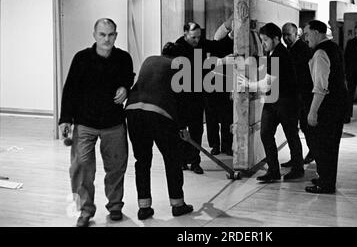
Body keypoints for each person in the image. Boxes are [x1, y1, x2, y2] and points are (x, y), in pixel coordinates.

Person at [59, 18, 134, 227]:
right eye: (102, 34)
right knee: (81, 168)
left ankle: (115, 205)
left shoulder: (123, 58)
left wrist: (125, 88)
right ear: (94, 35)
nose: (106, 39)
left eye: (110, 35)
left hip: (113, 123)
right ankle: (84, 209)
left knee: (117, 167)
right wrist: (65, 119)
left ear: (116, 35)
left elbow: (129, 78)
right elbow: (70, 90)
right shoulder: (81, 58)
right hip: (85, 122)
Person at [125, 42, 194, 220]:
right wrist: (183, 127)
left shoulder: (149, 60)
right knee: (172, 159)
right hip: (159, 114)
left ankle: (144, 207)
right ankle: (178, 204)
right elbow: (183, 101)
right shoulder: (179, 66)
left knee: (142, 160)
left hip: (133, 111)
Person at [238, 23, 304, 182]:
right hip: (273, 100)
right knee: (267, 133)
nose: (263, 44)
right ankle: (274, 170)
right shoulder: (273, 53)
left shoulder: (279, 55)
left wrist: (248, 85)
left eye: (265, 40)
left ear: (276, 39)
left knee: (291, 135)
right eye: (261, 40)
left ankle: (297, 169)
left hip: (286, 102)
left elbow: (267, 83)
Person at [175, 22, 233, 174]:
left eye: (199, 37)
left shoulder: (200, 43)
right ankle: (181, 160)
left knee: (197, 129)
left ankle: (195, 162)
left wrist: (230, 36)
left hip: (197, 96)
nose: (196, 40)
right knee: (181, 129)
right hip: (182, 96)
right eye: (193, 37)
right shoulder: (178, 48)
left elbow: (216, 46)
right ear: (185, 34)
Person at [303, 20, 347, 194]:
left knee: (323, 146)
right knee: (330, 145)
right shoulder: (333, 47)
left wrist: (312, 112)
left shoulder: (321, 52)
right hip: (338, 105)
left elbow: (321, 86)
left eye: (307, 34)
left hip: (327, 107)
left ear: (316, 32)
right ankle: (326, 179)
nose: (306, 38)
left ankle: (326, 184)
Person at [281, 22, 315, 167]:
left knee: (305, 128)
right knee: (294, 129)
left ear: (296, 34)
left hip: (302, 95)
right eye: (283, 34)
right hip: (295, 96)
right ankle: (296, 158)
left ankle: (312, 153)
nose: (285, 37)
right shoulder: (289, 49)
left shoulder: (302, 49)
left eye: (288, 34)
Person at [205, 18, 234, 156]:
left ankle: (225, 146)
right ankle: (216, 145)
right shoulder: (218, 43)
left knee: (226, 117)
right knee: (212, 118)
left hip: (226, 85)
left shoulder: (238, 44)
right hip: (212, 84)